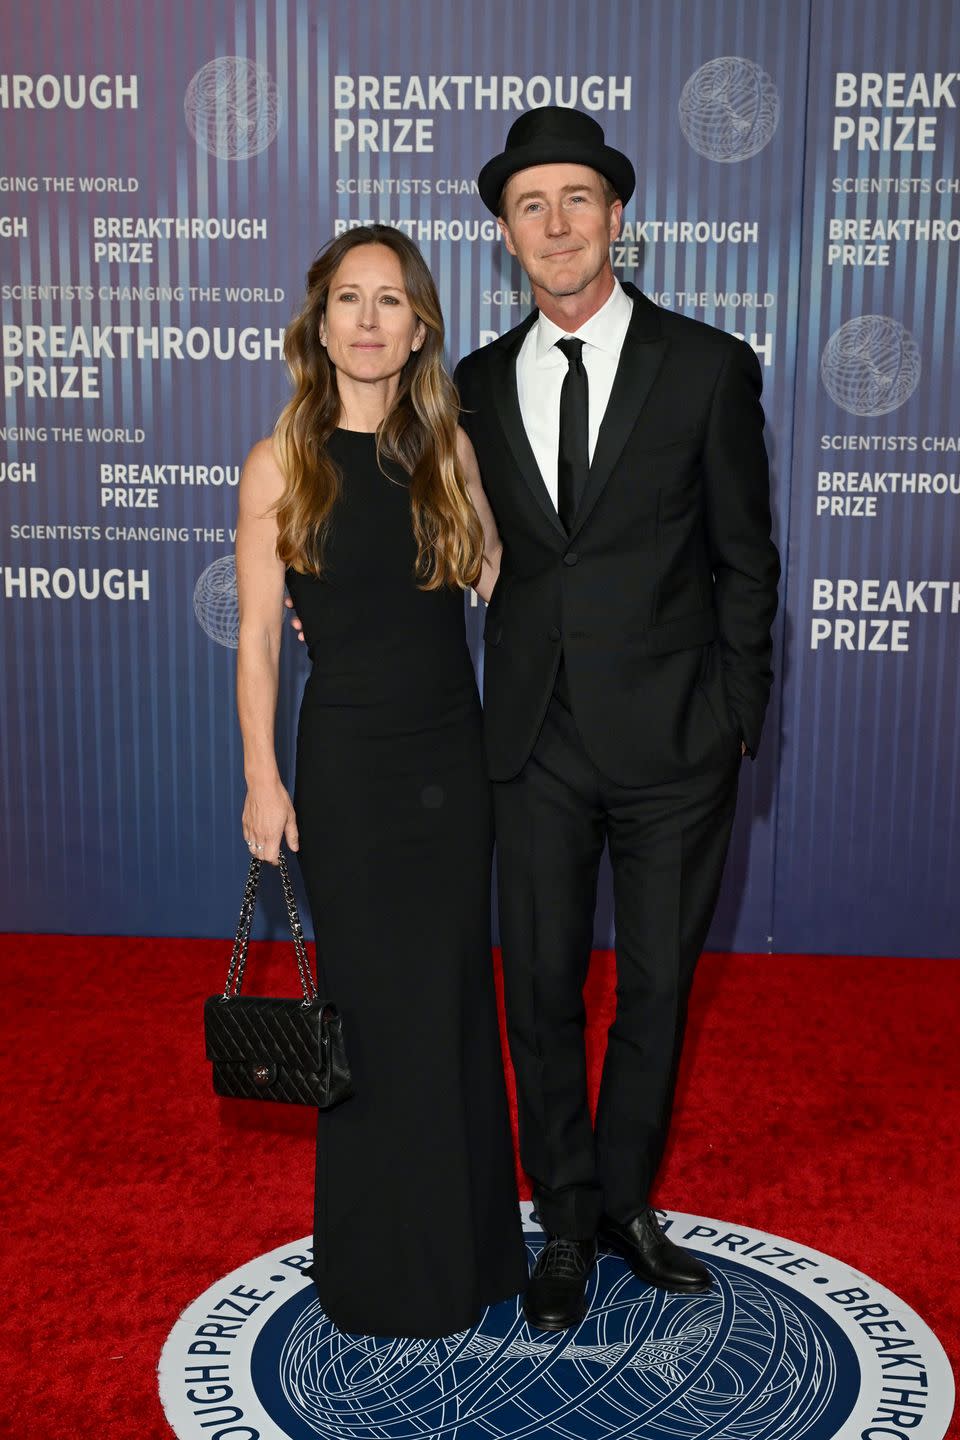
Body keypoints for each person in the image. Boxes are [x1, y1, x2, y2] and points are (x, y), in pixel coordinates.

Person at [451, 107, 781, 1331]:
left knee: (656, 987)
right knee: (537, 987)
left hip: (676, 744)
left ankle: (628, 1194)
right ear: (505, 235)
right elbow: (443, 539)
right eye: (530, 206)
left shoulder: (705, 365)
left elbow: (748, 558)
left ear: (617, 218)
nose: (556, 224)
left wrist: (740, 716)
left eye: (576, 200)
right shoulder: (475, 383)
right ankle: (567, 1213)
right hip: (532, 739)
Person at [235, 224, 527, 1339]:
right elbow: (260, 639)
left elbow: (499, 580)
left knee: (450, 999)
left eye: (390, 300)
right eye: (348, 299)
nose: (367, 320)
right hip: (347, 765)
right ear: (320, 323)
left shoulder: (445, 447)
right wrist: (263, 780)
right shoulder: (281, 461)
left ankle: (472, 1252)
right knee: (367, 1010)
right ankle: (380, 1267)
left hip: (451, 762)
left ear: (418, 328)